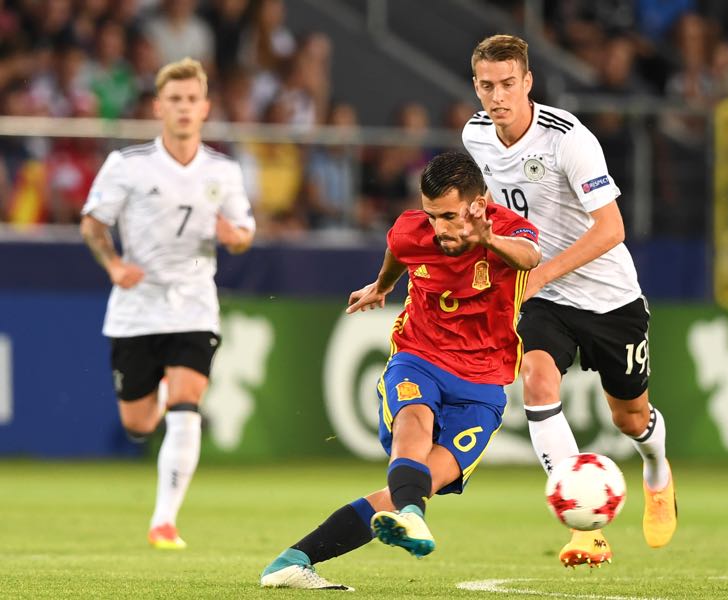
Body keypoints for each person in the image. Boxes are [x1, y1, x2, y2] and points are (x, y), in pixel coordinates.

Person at [259, 151, 541, 590]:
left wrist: (489, 241)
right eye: (432, 216)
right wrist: (383, 285)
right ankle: (413, 516)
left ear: (479, 205)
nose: (439, 228)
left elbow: (530, 257)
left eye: (449, 216)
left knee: (417, 483)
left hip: (483, 384)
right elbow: (398, 248)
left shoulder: (507, 229)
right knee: (413, 424)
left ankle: (292, 561)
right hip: (419, 356)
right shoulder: (412, 229)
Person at [462, 34, 678, 568]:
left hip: (609, 298)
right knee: (535, 378)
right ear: (476, 86)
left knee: (631, 417)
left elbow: (612, 229)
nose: (498, 97)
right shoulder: (475, 136)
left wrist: (540, 274)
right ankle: (586, 530)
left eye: (508, 84)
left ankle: (658, 473)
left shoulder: (568, 139)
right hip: (547, 297)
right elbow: (497, 205)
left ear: (528, 81)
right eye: (487, 86)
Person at [80, 57, 255, 550]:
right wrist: (114, 266)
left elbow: (244, 233)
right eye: (174, 100)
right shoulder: (128, 165)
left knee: (187, 403)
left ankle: (164, 521)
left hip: (195, 305)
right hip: (136, 308)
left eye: (191, 100)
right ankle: (155, 402)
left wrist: (232, 237)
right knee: (138, 423)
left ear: (205, 108)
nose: (183, 108)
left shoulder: (224, 170)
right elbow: (93, 224)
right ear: (159, 107)